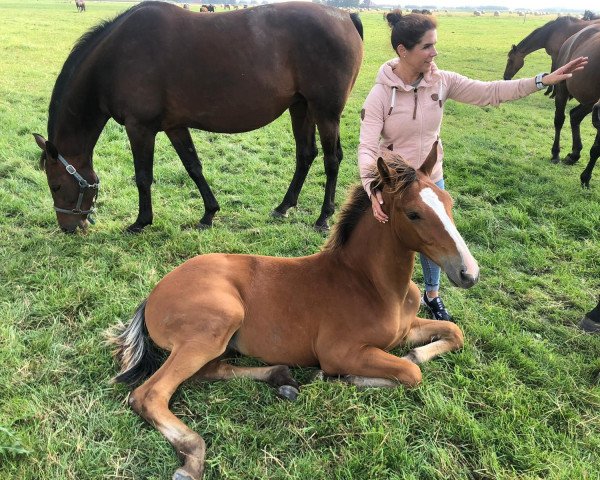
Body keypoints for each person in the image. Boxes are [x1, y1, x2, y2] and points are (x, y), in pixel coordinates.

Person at [358, 11, 587, 321]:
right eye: (426, 47)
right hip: (394, 185)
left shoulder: (442, 82)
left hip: (429, 179)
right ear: (402, 50)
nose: (434, 53)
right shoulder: (380, 96)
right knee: (383, 245)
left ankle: (432, 295)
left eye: (434, 45)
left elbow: (489, 91)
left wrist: (540, 80)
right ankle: (380, 295)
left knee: (436, 235)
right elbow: (368, 147)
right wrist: (372, 189)